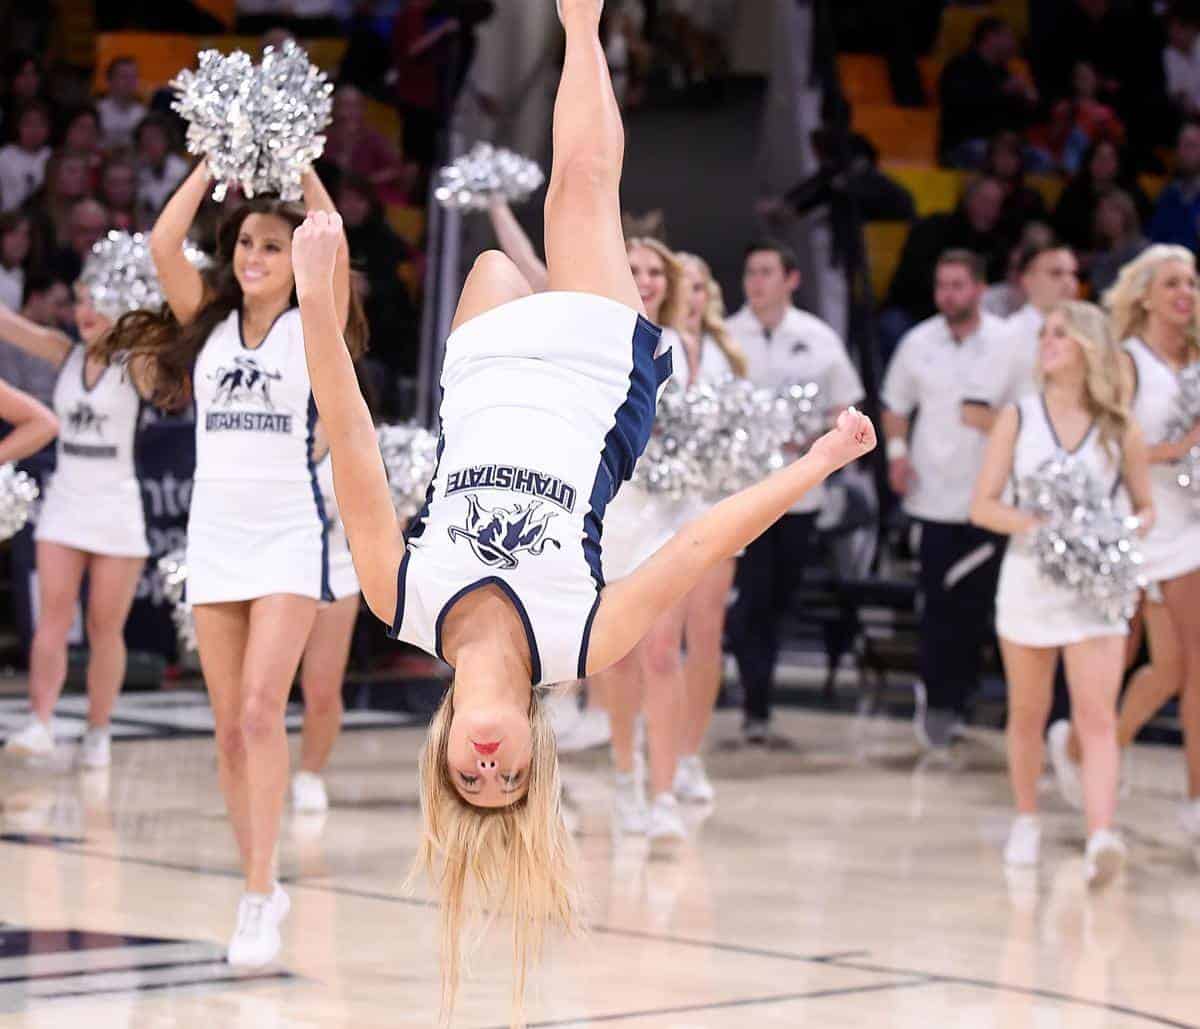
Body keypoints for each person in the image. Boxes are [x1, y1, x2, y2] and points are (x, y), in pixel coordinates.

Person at [289, 0, 876, 1017]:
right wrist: (816, 462)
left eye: (470, 782)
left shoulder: (398, 599)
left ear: (442, 759)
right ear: (534, 756)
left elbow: (348, 438)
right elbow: (699, 540)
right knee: (581, 186)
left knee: (493, 266)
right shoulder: (583, 640)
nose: (487, 770)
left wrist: (315, 304)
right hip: (589, 389)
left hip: (481, 382)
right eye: (507, 782)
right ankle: (583, 20)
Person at [94, 160, 367, 968]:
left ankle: (258, 891)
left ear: (295, 257)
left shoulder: (313, 322)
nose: (255, 256)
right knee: (227, 732)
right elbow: (163, 243)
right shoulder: (207, 324)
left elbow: (334, 242)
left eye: (273, 246)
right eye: (246, 243)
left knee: (258, 713)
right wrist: (215, 160)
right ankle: (258, 879)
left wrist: (301, 159)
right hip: (214, 537)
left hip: (287, 534)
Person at [969, 300, 1153, 885]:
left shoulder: (1120, 426)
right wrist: (1039, 527)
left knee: (1097, 716)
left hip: (1096, 590)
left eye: (1060, 335)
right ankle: (1026, 817)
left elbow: (1146, 507)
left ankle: (1101, 834)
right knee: (1028, 710)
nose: (1047, 343)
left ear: (1089, 348)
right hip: (1030, 579)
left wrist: (1116, 534)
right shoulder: (1018, 418)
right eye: (1045, 334)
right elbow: (983, 506)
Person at [1050, 246, 1200, 837]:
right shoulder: (1129, 361)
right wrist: (1175, 450)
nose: (1185, 294)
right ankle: (1087, 751)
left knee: (1181, 668)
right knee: (1125, 659)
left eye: (1191, 284)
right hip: (1133, 524)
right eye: (1172, 284)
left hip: (1188, 526)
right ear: (1145, 296)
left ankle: (1189, 797)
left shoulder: (1197, 358)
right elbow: (1109, 441)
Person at [0, 267, 154, 770]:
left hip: (117, 506)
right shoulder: (63, 352)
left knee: (104, 627)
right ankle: (41, 722)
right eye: (81, 300)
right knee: (52, 618)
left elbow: (168, 348)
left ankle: (99, 730)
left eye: (98, 302)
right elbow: (10, 325)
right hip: (66, 500)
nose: (85, 312)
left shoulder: (138, 364)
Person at [726, 239, 865, 745]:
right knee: (752, 599)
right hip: (741, 493)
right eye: (751, 272)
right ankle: (755, 704)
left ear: (791, 280)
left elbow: (846, 409)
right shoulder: (727, 335)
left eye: (767, 272)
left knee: (778, 600)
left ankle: (757, 692)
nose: (756, 282)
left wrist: (815, 441)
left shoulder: (818, 339)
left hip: (800, 495)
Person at [882, 249, 1006, 747]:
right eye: (942, 286)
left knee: (977, 609)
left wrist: (990, 422)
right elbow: (894, 404)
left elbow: (1032, 413)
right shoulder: (917, 342)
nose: (947, 295)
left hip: (990, 500)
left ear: (979, 288)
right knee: (936, 608)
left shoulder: (1010, 343)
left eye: (958, 285)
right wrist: (896, 454)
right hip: (930, 499)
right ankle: (937, 702)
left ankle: (965, 695)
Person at [672, 250, 747, 799]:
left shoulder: (729, 354)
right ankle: (650, 747)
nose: (692, 296)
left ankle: (689, 753)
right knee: (657, 644)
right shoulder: (650, 344)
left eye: (699, 286)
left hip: (716, 506)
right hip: (660, 511)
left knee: (705, 635)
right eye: (683, 285)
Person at [293, 451, 361, 813]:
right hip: (276, 572)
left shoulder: (347, 433)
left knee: (321, 688)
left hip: (336, 570)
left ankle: (310, 773)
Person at [880, 176, 1007, 358]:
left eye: (996, 204)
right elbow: (909, 281)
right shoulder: (933, 228)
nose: (990, 210)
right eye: (984, 200)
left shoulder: (997, 244)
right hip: (915, 311)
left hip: (964, 317)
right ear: (968, 199)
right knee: (892, 326)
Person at [962, 239, 1080, 433]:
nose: (1068, 282)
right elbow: (973, 411)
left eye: (1073, 274)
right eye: (1056, 273)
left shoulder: (1085, 337)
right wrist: (1028, 439)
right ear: (1027, 280)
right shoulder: (1007, 335)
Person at [937, 18, 1037, 169]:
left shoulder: (1004, 73)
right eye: (1008, 36)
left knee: (1042, 160)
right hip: (963, 144)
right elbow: (962, 107)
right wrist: (1002, 92)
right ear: (990, 37)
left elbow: (1015, 121)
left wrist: (1028, 102)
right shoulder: (959, 67)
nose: (1013, 43)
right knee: (988, 155)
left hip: (1002, 145)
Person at [1052, 139, 1151, 254]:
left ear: (1118, 164)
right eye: (1099, 157)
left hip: (1123, 255)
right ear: (1089, 162)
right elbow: (1059, 232)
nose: (1103, 163)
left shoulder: (1132, 193)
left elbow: (1143, 230)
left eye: (1110, 158)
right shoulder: (1073, 193)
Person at [1149, 121, 1200, 254]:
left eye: (1191, 145)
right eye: (1181, 146)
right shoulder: (1168, 196)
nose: (1185, 152)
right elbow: (1155, 241)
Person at [1088, 189, 1148, 297]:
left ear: (1126, 214)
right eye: (1102, 211)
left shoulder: (1142, 250)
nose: (1106, 217)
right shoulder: (1099, 252)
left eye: (1112, 210)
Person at [134, 114, 188, 223]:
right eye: (146, 139)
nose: (150, 144)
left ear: (167, 140)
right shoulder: (137, 171)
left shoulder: (181, 170)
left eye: (155, 138)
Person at [0, 100, 52, 212]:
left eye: (40, 124)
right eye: (28, 124)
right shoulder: (4, 156)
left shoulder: (52, 157)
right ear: (18, 126)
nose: (35, 129)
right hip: (9, 217)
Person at [95, 57, 147, 152]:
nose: (130, 81)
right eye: (124, 77)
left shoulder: (142, 114)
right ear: (110, 80)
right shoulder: (97, 111)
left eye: (133, 77)